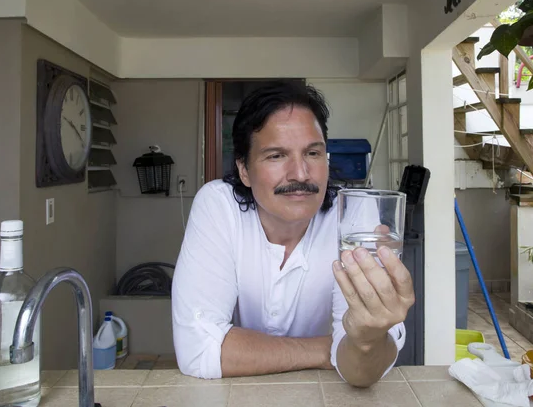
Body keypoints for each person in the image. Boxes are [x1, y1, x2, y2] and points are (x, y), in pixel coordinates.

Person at [171, 80, 414, 387]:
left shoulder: (353, 215)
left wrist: (366, 340)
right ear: (244, 169)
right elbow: (198, 351)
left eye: (312, 153)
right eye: (276, 156)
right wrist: (331, 350)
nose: (300, 174)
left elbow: (360, 372)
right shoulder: (219, 206)